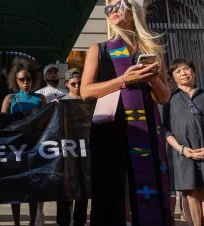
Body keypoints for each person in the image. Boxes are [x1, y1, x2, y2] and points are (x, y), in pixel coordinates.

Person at [80, 0, 171, 226]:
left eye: (118, 4)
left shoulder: (152, 51)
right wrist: (124, 80)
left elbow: (164, 97)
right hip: (110, 127)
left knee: (151, 188)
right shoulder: (98, 49)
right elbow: (85, 91)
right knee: (108, 190)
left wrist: (152, 79)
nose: (112, 10)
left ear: (134, 10)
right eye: (107, 7)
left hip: (146, 128)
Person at [164, 58, 204, 226]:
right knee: (190, 192)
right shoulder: (169, 100)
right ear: (173, 77)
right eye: (178, 71)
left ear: (194, 72)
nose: (183, 73)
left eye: (186, 69)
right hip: (183, 154)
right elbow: (165, 130)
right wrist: (181, 149)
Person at [1, 58, 46, 226]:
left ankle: (32, 222)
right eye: (22, 79)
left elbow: (47, 121)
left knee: (33, 186)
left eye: (28, 79)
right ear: (16, 81)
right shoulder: (9, 98)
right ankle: (17, 223)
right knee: (16, 186)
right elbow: (2, 122)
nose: (26, 82)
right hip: (15, 146)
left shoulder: (40, 99)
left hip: (35, 145)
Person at [55, 68, 89, 226]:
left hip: (84, 153)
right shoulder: (60, 103)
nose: (77, 86)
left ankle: (79, 222)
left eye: (80, 83)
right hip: (66, 153)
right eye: (73, 83)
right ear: (67, 84)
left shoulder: (89, 101)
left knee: (83, 190)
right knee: (65, 191)